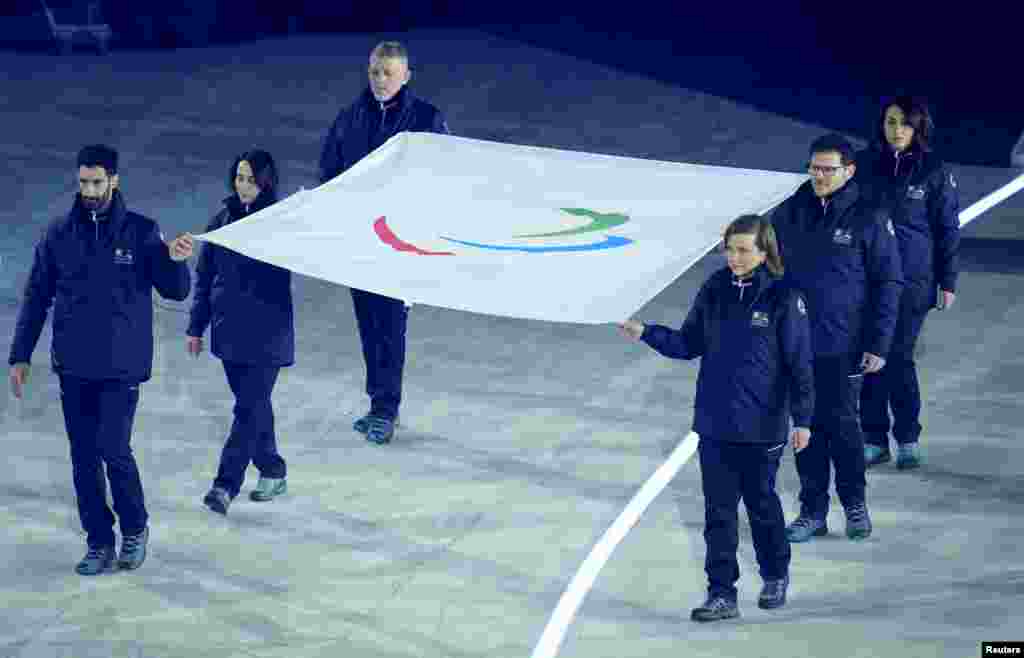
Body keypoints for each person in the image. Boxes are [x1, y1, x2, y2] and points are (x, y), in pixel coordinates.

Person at [8, 144, 193, 575]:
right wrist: (20, 355)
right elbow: (37, 297)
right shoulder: (58, 235)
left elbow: (175, 291)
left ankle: (134, 528)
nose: (89, 190)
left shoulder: (141, 232)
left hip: (121, 366)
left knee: (113, 447)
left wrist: (177, 262)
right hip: (74, 365)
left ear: (114, 180)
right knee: (83, 457)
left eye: (97, 182)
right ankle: (98, 541)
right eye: (83, 182)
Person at [620, 214, 814, 622]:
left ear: (764, 252)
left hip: (762, 426)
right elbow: (689, 343)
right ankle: (721, 593)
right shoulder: (714, 289)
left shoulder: (783, 296)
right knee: (718, 513)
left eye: (744, 250)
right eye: (730, 249)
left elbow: (799, 363)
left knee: (762, 505)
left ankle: (775, 574)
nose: (735, 257)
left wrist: (803, 419)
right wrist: (646, 332)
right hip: (715, 424)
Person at [771, 133, 904, 542]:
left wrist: (879, 344)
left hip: (844, 345)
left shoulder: (868, 216)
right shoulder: (791, 210)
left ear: (849, 171)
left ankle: (854, 504)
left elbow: (888, 281)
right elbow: (768, 263)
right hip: (796, 343)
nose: (820, 176)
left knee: (844, 427)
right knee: (804, 427)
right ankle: (812, 510)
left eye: (828, 169)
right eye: (814, 168)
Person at [318, 40, 450, 445]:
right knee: (369, 324)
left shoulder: (426, 119)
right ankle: (378, 403)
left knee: (390, 326)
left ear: (405, 76)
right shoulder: (349, 118)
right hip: (361, 241)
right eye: (374, 71)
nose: (379, 80)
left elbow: (446, 175)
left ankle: (386, 409)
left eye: (388, 73)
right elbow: (330, 173)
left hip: (401, 243)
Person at [855, 97, 960, 470]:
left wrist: (947, 280)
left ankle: (908, 437)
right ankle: (873, 438)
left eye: (905, 124)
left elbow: (947, 229)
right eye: (891, 122)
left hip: (913, 282)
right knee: (868, 358)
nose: (897, 130)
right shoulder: (863, 164)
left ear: (918, 129)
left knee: (897, 357)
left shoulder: (934, 171)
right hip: (866, 281)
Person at [187, 150, 294, 515]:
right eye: (239, 178)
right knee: (255, 407)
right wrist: (195, 327)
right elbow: (205, 278)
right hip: (230, 333)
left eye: (251, 179)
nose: (244, 186)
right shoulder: (222, 220)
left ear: (266, 182)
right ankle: (272, 469)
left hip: (267, 335)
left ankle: (224, 485)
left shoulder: (281, 222)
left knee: (248, 408)